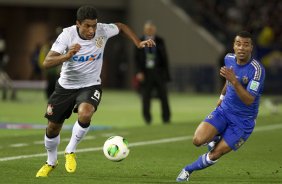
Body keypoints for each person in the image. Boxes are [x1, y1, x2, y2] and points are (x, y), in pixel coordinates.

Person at [35, 5, 155, 177]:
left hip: (90, 85)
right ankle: (51, 162)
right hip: (66, 87)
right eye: (87, 26)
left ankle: (70, 151)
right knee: (53, 128)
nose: (92, 30)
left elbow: (121, 26)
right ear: (78, 24)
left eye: (94, 25)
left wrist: (137, 43)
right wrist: (66, 56)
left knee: (85, 113)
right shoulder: (67, 35)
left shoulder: (103, 30)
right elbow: (46, 62)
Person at [176, 31, 265, 182]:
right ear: (233, 46)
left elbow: (249, 99)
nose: (241, 48)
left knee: (216, 153)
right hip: (224, 111)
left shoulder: (257, 70)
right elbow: (228, 81)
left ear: (251, 48)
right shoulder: (228, 59)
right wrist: (222, 96)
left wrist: (234, 81)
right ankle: (216, 136)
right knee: (197, 140)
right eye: (238, 44)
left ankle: (187, 170)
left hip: (243, 122)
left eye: (245, 45)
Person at [135, 21, 171, 124]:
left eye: (151, 29)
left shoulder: (160, 41)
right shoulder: (140, 41)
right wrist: (138, 72)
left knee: (164, 96)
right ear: (144, 30)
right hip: (146, 73)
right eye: (148, 29)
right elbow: (136, 58)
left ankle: (166, 118)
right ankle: (147, 119)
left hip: (159, 72)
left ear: (154, 30)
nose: (150, 31)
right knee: (146, 97)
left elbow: (165, 58)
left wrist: (166, 73)